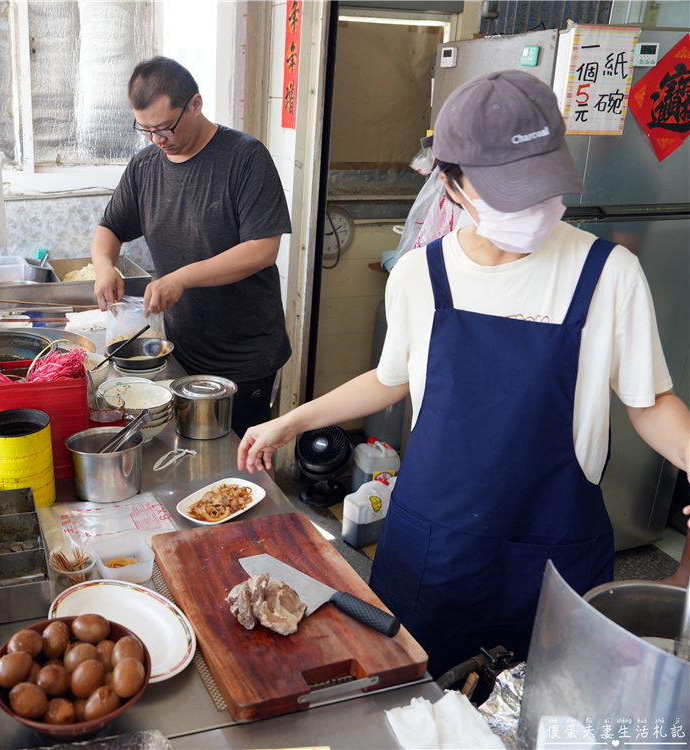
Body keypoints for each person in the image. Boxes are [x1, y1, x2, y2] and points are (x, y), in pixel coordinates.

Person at [237, 70, 690, 677]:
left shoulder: (608, 275)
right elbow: (391, 378)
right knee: (416, 702)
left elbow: (649, 403)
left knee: (545, 708)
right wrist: (289, 422)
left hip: (554, 556)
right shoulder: (420, 276)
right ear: (450, 182)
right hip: (433, 553)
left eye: (541, 184)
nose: (533, 207)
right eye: (511, 190)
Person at [92, 56, 292, 437]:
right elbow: (109, 228)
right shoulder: (145, 166)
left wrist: (181, 278)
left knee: (235, 464)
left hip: (243, 356)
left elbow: (263, 248)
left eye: (164, 128)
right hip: (179, 348)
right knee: (184, 454)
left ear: (196, 104)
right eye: (145, 129)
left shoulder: (245, 158)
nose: (156, 140)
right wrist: (104, 266)